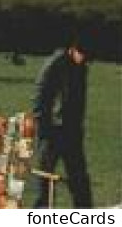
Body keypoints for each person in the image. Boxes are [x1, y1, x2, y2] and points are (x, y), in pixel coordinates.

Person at [29, 37, 92, 208]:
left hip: (72, 130)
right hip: (52, 130)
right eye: (82, 55)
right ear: (73, 49)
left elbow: (80, 100)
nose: (84, 59)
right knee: (45, 176)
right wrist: (43, 126)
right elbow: (40, 96)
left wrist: (79, 126)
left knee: (79, 176)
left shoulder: (82, 68)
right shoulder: (55, 64)